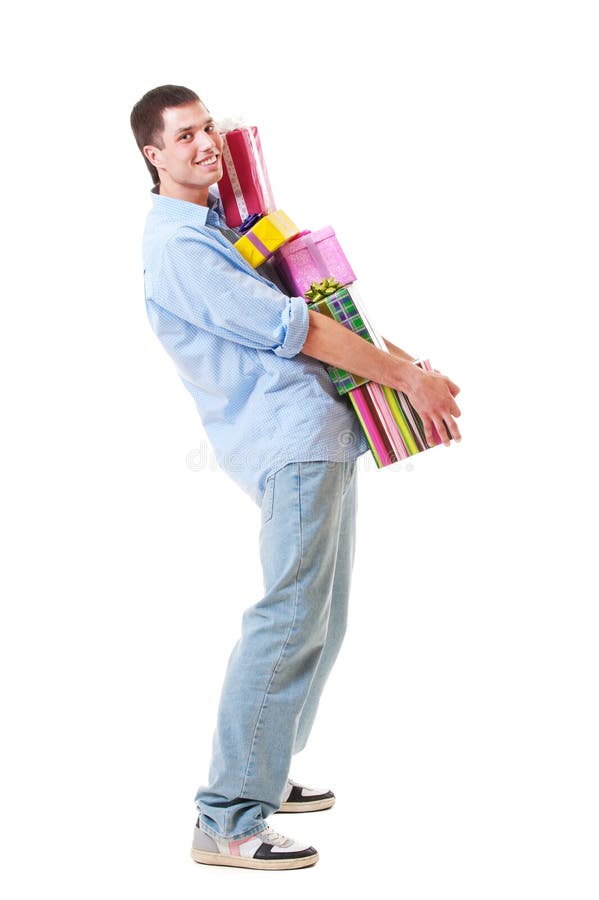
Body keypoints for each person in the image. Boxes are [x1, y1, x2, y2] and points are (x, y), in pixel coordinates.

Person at [130, 84, 461, 871]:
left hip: (316, 433)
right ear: (154, 155)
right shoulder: (178, 246)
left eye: (208, 128)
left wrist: (402, 363)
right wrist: (407, 383)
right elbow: (295, 326)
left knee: (321, 618)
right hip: (287, 443)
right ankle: (227, 817)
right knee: (286, 620)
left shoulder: (219, 223)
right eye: (185, 137)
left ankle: (263, 774)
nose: (206, 143)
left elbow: (314, 302)